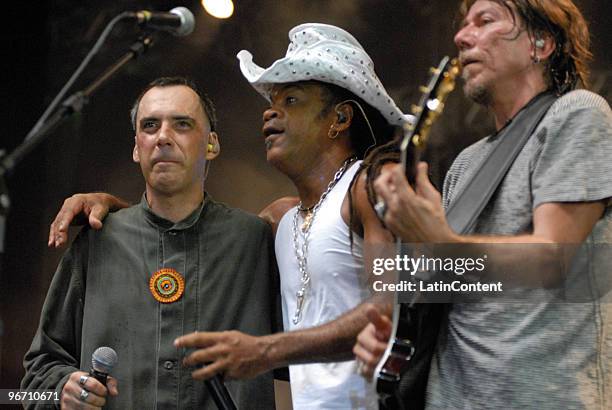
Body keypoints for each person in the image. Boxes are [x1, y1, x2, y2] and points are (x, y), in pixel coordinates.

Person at [47, 24, 409, 409]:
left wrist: (265, 350)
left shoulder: (375, 185)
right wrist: (123, 215)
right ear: (136, 146)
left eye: (292, 100)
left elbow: (408, 301)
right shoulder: (280, 221)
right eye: (149, 126)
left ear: (339, 118)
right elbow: (195, 233)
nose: (271, 111)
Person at [354, 1, 612, 409]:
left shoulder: (577, 114)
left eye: (485, 21)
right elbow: (463, 282)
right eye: (463, 25)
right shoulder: (466, 164)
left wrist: (442, 241)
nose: (461, 36)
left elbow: (552, 257)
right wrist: (394, 336)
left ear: (540, 42)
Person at [22, 77, 278, 409]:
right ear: (136, 147)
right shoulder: (98, 241)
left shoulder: (253, 241)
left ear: (212, 144)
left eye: (182, 124)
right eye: (150, 126)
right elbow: (28, 387)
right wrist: (60, 392)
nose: (163, 137)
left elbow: (310, 355)